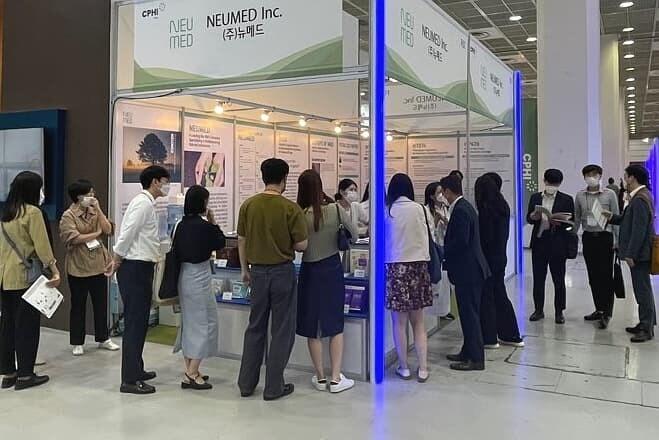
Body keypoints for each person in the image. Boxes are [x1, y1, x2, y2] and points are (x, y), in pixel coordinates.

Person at [237, 158, 309, 401]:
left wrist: (245, 269)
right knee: (281, 330)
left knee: (255, 326)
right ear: (284, 179)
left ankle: (246, 384)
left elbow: (241, 240)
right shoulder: (290, 208)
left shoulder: (248, 205)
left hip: (256, 272)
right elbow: (302, 245)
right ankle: (273, 386)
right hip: (282, 273)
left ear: (263, 176)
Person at [106, 165, 171, 395]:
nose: (167, 186)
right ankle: (129, 380)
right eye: (165, 181)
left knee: (140, 322)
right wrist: (116, 259)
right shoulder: (142, 204)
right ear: (155, 182)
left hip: (141, 267)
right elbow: (127, 233)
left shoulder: (146, 203)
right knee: (135, 324)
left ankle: (137, 369)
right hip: (135, 268)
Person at [296, 170, 358, 393]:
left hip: (309, 270)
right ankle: (336, 378)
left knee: (312, 325)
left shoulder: (299, 214)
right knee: (335, 323)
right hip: (332, 268)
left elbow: (297, 245)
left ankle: (320, 377)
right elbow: (354, 234)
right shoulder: (335, 209)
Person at [0, 171, 61, 390]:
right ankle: (26, 375)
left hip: (5, 277)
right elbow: (42, 245)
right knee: (27, 326)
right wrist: (54, 270)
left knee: (7, 325)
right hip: (25, 278)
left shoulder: (7, 212)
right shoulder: (33, 212)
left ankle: (8, 373)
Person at [174, 185, 226, 390]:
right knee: (206, 323)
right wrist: (213, 222)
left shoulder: (180, 225)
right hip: (199, 277)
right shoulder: (204, 227)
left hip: (184, 276)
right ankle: (191, 372)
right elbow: (220, 242)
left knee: (189, 324)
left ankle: (191, 368)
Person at [59, 180, 119, 356]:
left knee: (100, 303)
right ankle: (77, 342)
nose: (92, 196)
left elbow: (108, 230)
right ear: (79, 197)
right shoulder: (68, 215)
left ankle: (103, 338)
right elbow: (73, 238)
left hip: (98, 264)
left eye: (93, 193)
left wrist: (98, 209)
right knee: (78, 305)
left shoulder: (94, 211)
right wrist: (95, 234)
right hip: (78, 266)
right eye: (88, 194)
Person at [385, 173, 432, 382]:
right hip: (419, 268)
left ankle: (404, 367)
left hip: (396, 269)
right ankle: (423, 368)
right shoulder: (420, 209)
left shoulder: (388, 211)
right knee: (419, 322)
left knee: (399, 323)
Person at [441, 175, 490, 371]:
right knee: (468, 314)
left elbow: (461, 241)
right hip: (471, 270)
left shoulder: (461, 210)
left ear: (447, 191)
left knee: (470, 316)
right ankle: (467, 351)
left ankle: (476, 359)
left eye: (442, 192)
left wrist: (442, 251)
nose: (442, 196)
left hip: (468, 271)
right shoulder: (465, 207)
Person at [605, 165, 657, 342]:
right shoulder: (639, 196)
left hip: (640, 254)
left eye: (626, 176)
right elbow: (627, 219)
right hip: (640, 252)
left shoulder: (640, 199)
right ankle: (645, 323)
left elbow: (638, 230)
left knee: (642, 291)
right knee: (642, 289)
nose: (624, 180)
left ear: (632, 178)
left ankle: (647, 328)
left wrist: (631, 254)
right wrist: (611, 217)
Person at [474, 174, 523, 349]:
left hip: (488, 259)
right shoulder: (503, 206)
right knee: (500, 294)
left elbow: (486, 238)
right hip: (500, 257)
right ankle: (510, 334)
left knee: (488, 296)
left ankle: (489, 337)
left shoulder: (487, 211)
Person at [574, 165, 620, 329]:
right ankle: (599, 308)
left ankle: (607, 313)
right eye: (588, 174)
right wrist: (572, 235)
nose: (591, 177)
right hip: (588, 238)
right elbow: (577, 217)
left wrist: (617, 240)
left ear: (600, 176)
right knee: (593, 276)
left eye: (594, 174)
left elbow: (616, 218)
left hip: (605, 238)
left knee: (606, 276)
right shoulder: (580, 195)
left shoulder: (610, 194)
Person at [527, 169, 575, 324]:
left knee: (559, 279)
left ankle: (559, 312)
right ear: (544, 181)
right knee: (538, 278)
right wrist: (533, 217)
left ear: (559, 183)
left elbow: (571, 223)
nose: (552, 186)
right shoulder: (535, 197)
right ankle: (538, 310)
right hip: (539, 242)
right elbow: (529, 218)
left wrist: (561, 223)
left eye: (555, 183)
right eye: (550, 183)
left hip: (558, 244)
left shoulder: (567, 199)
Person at [424, 182, 452, 320]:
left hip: (445, 247)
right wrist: (436, 221)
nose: (442, 195)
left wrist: (445, 221)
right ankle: (434, 311)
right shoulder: (426, 210)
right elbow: (429, 233)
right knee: (436, 279)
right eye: (439, 193)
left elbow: (450, 227)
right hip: (434, 249)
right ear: (431, 196)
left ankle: (444, 310)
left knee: (445, 281)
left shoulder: (446, 208)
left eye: (442, 192)